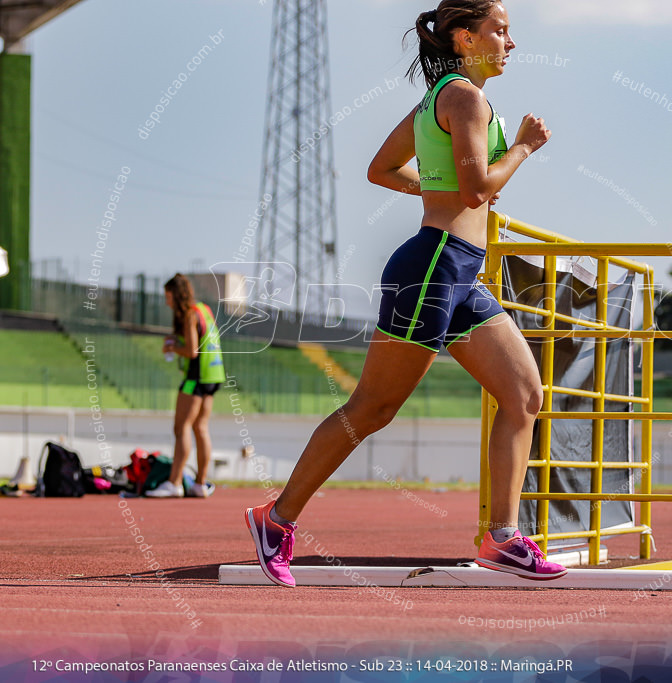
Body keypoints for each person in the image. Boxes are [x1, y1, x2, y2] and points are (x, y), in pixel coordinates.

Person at [245, 0, 566, 586]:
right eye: (500, 31)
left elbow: (384, 168)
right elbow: (476, 190)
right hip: (435, 266)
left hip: (460, 271)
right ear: (465, 38)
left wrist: (445, 187)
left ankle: (503, 539)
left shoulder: (439, 97)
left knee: (523, 396)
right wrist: (522, 147)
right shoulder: (465, 98)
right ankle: (276, 518)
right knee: (373, 408)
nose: (510, 43)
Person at [148, 273, 225, 498]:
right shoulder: (204, 310)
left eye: (168, 296)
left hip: (196, 376)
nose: (166, 302)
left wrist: (172, 348)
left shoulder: (189, 314)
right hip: (214, 373)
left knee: (181, 427)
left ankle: (174, 482)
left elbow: (192, 351)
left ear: (177, 295)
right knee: (200, 428)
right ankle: (200, 483)